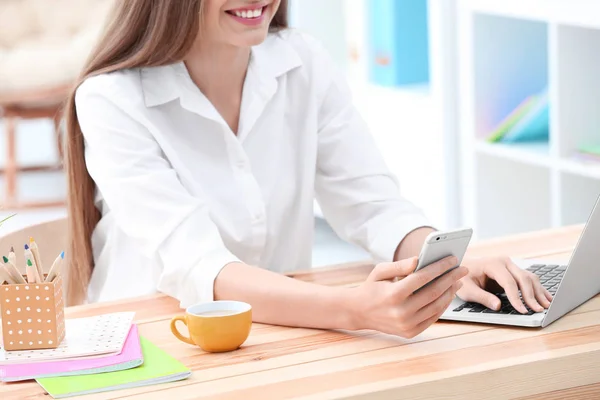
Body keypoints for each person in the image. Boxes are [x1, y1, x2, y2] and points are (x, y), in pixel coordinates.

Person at [64, 0, 552, 338]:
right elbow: (197, 265)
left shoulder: (301, 60)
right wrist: (354, 310)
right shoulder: (113, 100)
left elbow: (371, 203)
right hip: (154, 337)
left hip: (277, 326)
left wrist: (448, 264)